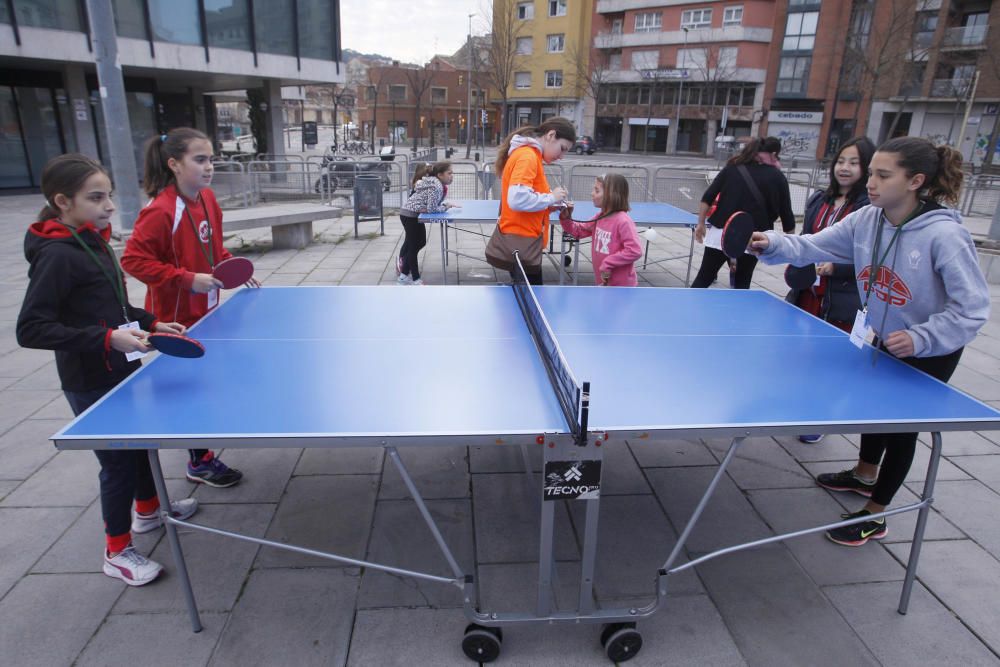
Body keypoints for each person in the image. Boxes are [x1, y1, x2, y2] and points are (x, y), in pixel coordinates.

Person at [749, 137, 990, 547]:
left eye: (882, 174)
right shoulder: (867, 219)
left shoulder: (945, 236)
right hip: (883, 336)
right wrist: (773, 243)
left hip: (929, 349)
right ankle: (863, 475)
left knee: (901, 430)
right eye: (871, 172)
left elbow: (972, 308)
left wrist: (921, 338)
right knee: (875, 412)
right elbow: (813, 244)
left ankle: (878, 514)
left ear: (915, 180)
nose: (871, 182)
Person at [16, 154, 197, 586]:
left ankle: (150, 511)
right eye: (96, 198)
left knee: (141, 445)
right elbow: (32, 328)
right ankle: (117, 552)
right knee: (116, 463)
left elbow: (113, 308)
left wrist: (151, 321)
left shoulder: (90, 239)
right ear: (63, 201)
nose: (109, 206)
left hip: (120, 366)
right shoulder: (58, 256)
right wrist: (106, 339)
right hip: (90, 379)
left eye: (109, 195)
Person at [121, 127, 246, 488]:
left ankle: (201, 448)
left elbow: (214, 250)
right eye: (200, 160)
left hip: (209, 310)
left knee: (205, 384)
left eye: (211, 160)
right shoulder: (160, 211)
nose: (209, 167)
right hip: (175, 319)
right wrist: (187, 279)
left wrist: (231, 264)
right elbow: (133, 260)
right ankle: (200, 461)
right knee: (189, 390)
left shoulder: (208, 199)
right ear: (174, 164)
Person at [790, 136, 875, 444]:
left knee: (833, 362)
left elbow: (874, 262)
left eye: (854, 162)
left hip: (844, 300)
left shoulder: (869, 209)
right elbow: (805, 241)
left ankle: (820, 417)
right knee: (803, 357)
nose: (845, 168)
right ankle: (801, 407)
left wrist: (835, 268)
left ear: (867, 168)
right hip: (808, 293)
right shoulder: (818, 199)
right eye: (841, 161)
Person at [692, 136, 795, 289]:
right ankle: (737, 313)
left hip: (721, 233)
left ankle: (688, 310)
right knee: (742, 284)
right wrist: (791, 245)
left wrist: (701, 224)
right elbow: (787, 215)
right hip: (753, 238)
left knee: (703, 278)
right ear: (773, 155)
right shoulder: (777, 177)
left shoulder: (733, 168)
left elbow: (707, 197)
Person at [493, 117, 576, 284]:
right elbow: (517, 199)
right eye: (562, 148)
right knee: (531, 301)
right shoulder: (528, 156)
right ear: (551, 135)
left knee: (526, 299)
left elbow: (524, 199)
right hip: (523, 244)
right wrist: (552, 197)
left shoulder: (530, 155)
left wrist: (551, 204)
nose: (561, 156)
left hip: (523, 243)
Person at [558, 174, 643, 286]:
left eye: (597, 190)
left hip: (622, 286)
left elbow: (635, 250)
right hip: (604, 283)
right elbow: (578, 231)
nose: (592, 193)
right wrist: (566, 218)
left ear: (611, 196)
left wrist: (608, 263)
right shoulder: (600, 216)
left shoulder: (623, 221)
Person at [396, 161, 457, 285]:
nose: (452, 176)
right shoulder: (436, 186)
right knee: (413, 247)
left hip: (412, 214)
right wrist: (446, 206)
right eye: (449, 173)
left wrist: (437, 206)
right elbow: (431, 209)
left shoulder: (436, 183)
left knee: (420, 243)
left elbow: (430, 207)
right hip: (409, 215)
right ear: (440, 175)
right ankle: (415, 279)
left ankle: (403, 275)